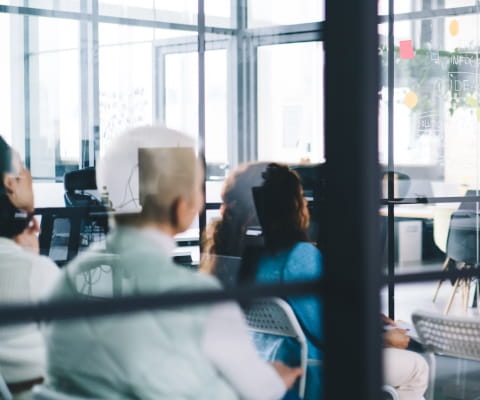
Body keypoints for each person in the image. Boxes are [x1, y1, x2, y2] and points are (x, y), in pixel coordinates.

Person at [43, 126, 301, 399]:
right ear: (181, 206)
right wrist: (276, 377)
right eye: (198, 188)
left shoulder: (67, 281)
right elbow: (259, 389)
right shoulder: (200, 298)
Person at [248, 163, 429, 400]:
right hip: (317, 367)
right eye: (302, 198)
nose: (307, 204)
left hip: (270, 361)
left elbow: (316, 312)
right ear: (293, 207)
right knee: (417, 367)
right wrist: (384, 338)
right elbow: (332, 332)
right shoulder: (300, 256)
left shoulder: (257, 257)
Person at [0, 137, 60, 398]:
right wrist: (32, 261)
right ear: (10, 183)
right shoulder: (35, 273)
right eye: (22, 167)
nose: (28, 175)